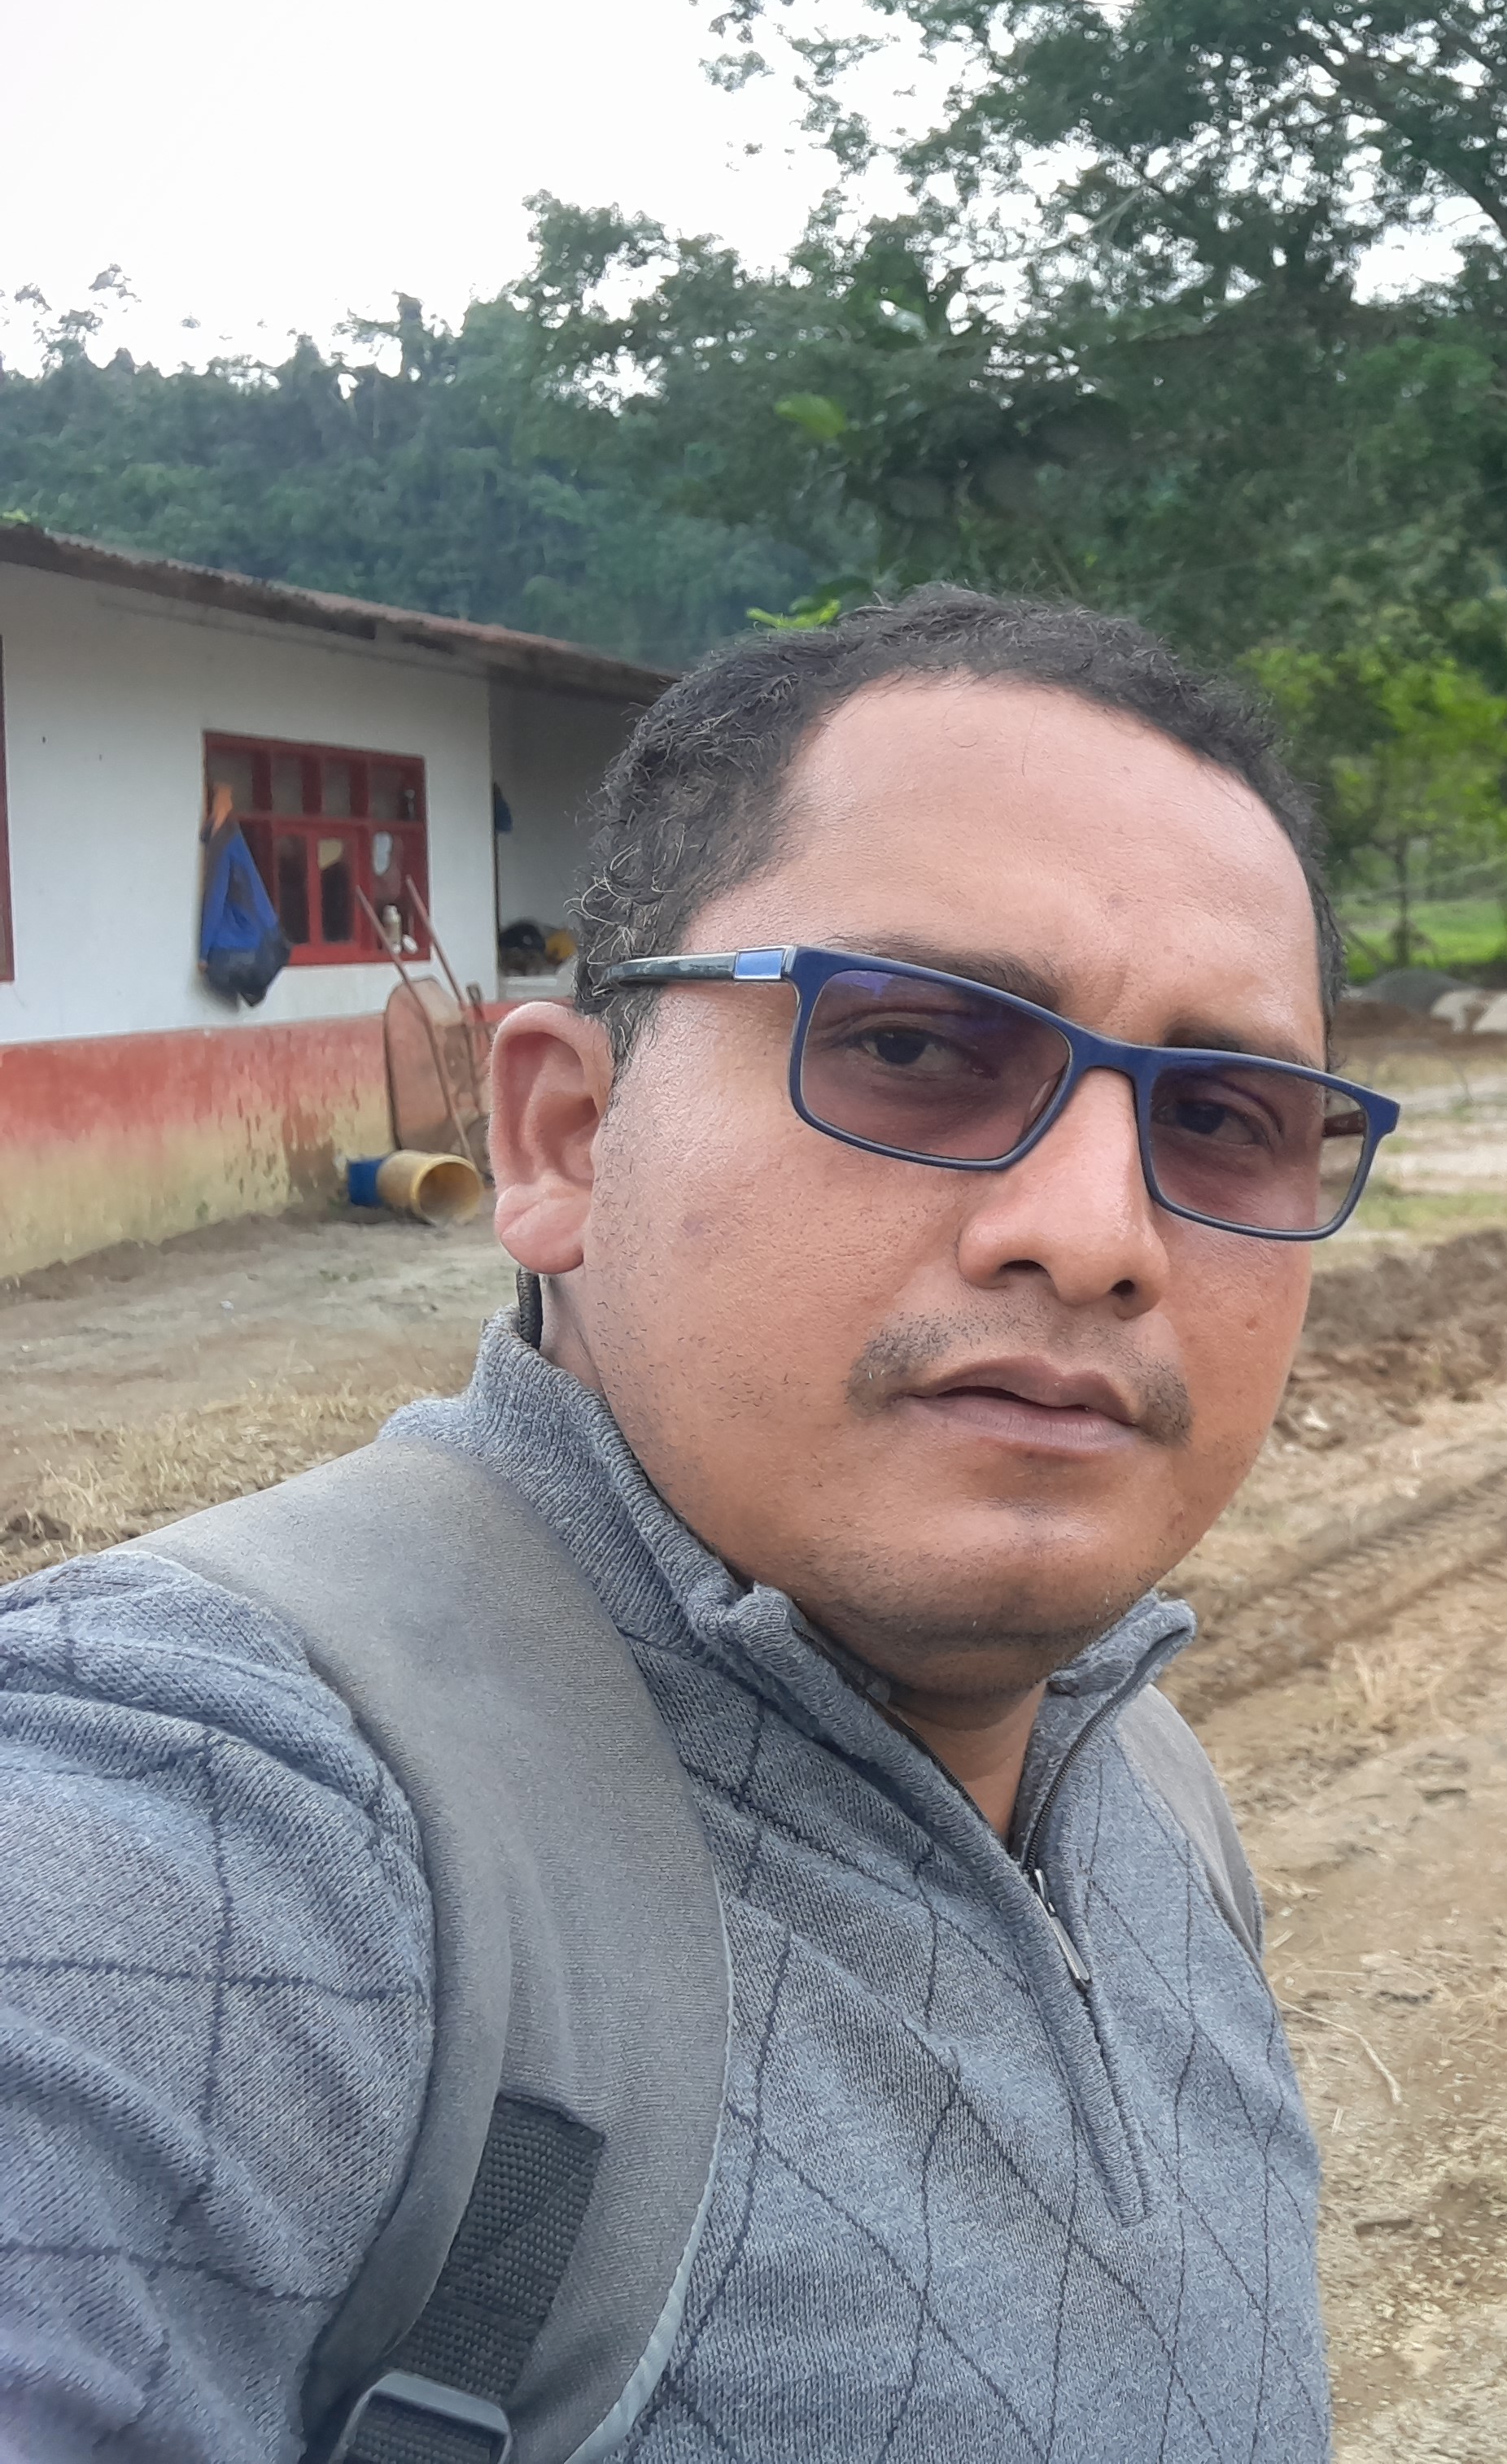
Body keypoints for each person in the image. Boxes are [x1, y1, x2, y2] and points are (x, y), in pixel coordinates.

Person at [0, 591, 1390, 2461]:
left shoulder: (1143, 1783)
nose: (1095, 1233)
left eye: (1222, 1116)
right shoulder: (215, 1823)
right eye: (916, 1049)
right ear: (565, 1138)